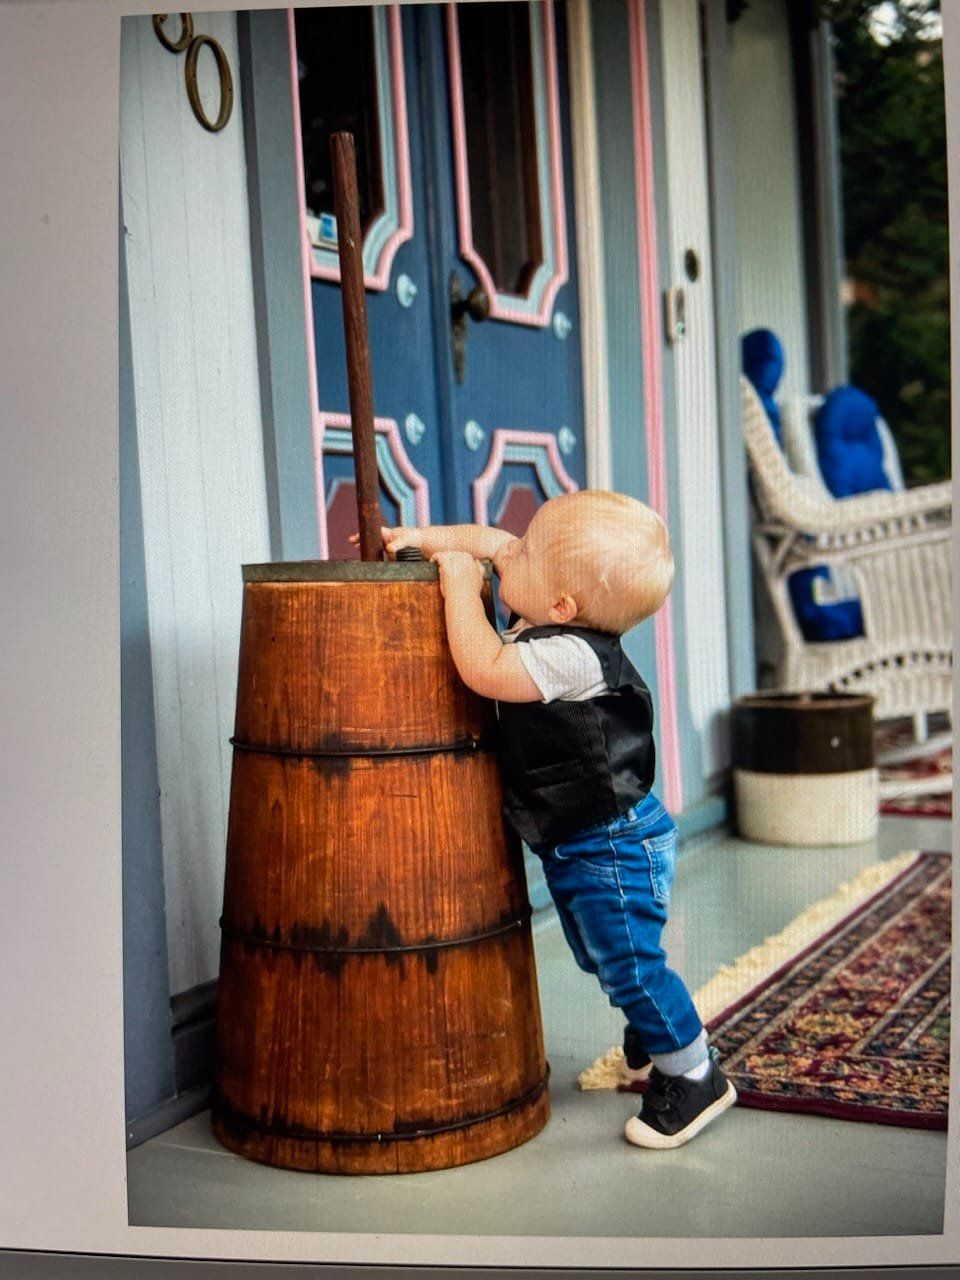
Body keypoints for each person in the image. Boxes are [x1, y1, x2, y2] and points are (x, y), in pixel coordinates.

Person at [375, 490, 736, 1149]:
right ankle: (646, 1020)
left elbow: (483, 668)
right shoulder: (543, 592)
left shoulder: (570, 656)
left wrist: (458, 585)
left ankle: (694, 1073)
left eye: (528, 552)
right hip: (587, 837)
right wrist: (425, 536)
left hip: (612, 841)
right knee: (599, 952)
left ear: (563, 607)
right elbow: (495, 542)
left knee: (630, 961)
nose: (509, 552)